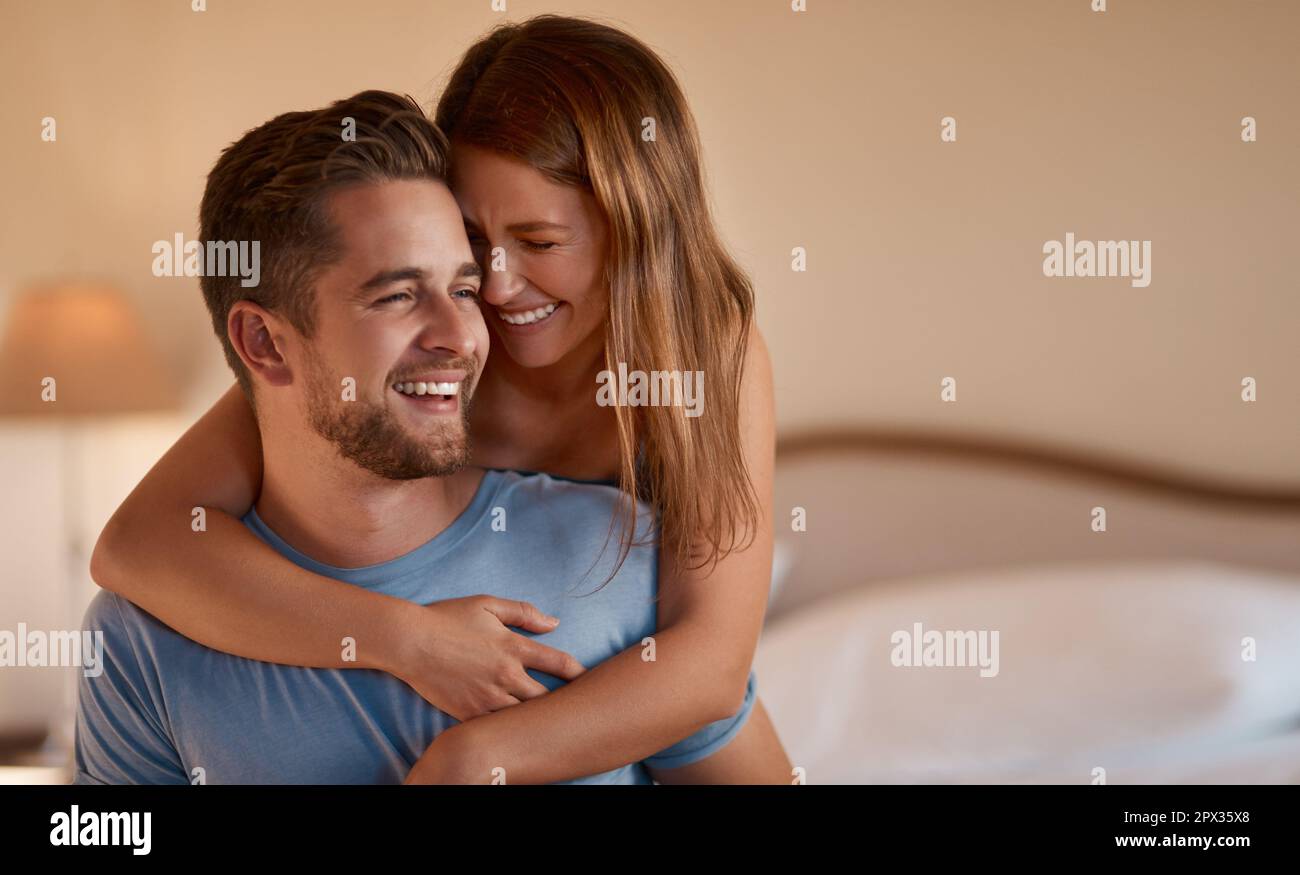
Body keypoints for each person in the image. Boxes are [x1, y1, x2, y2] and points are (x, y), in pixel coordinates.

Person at [90, 16, 791, 785]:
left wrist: (478, 758)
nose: (491, 289)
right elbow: (139, 543)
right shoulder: (409, 350)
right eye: (469, 243)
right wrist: (407, 639)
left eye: (541, 242)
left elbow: (710, 667)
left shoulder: (699, 361)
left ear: (635, 229)